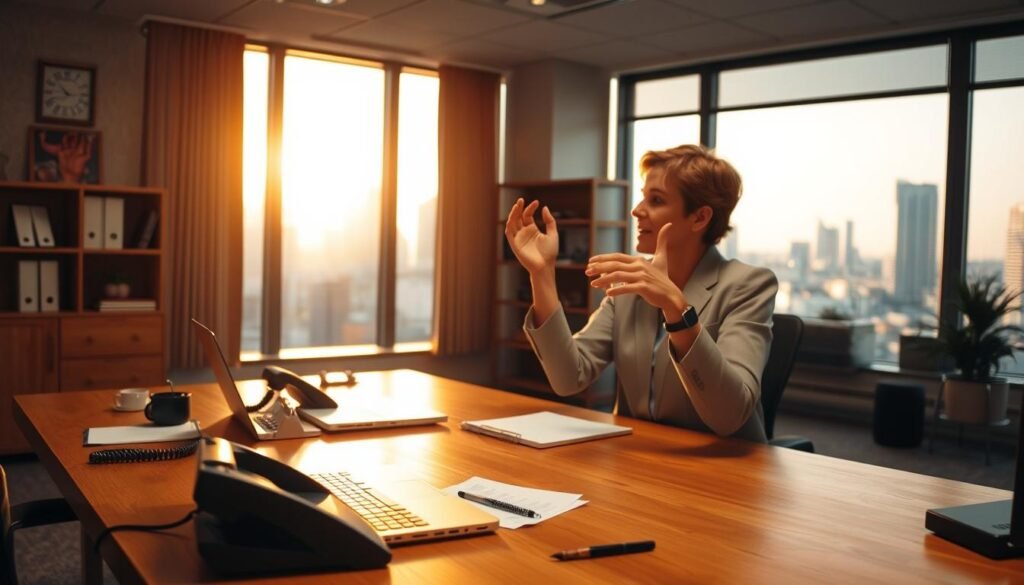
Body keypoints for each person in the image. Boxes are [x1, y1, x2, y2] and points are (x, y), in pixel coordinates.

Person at [504, 144, 777, 442]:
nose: (636, 210)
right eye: (643, 196)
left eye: (656, 200)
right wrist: (541, 273)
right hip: (641, 455)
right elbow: (569, 377)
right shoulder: (632, 285)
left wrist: (676, 308)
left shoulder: (749, 285)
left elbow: (730, 415)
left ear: (699, 218)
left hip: (727, 462)